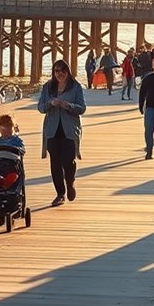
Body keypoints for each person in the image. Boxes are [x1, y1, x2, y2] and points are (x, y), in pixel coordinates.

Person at [37, 59, 86, 207]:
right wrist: (50, 104)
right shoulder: (48, 87)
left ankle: (70, 183)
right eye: (57, 71)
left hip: (69, 129)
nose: (60, 74)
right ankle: (60, 193)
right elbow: (40, 107)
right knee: (55, 163)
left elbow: (82, 108)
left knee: (68, 160)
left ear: (67, 72)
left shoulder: (75, 87)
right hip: (52, 130)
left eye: (63, 71)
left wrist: (68, 105)